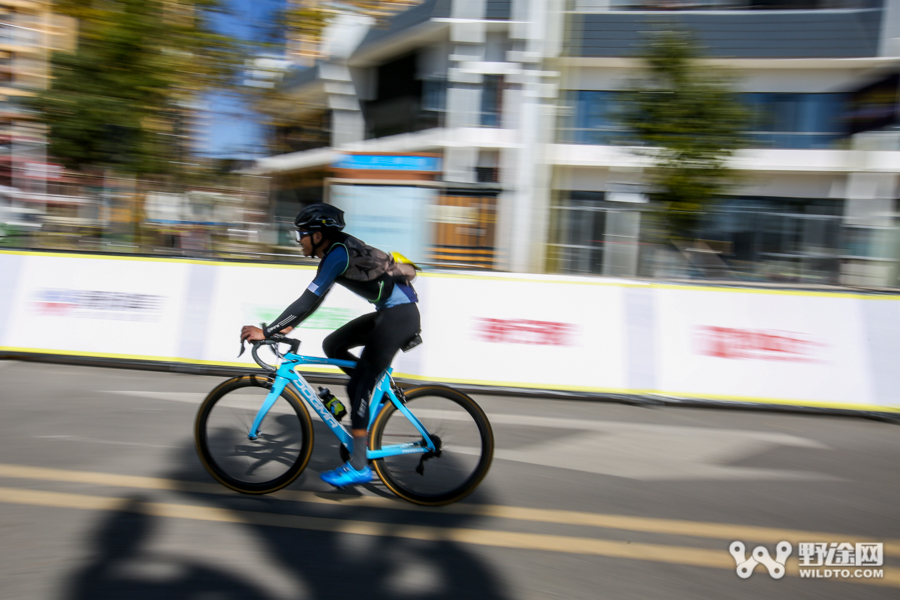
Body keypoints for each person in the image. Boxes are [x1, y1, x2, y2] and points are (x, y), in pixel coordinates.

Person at [240, 203, 421, 488]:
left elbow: (308, 299)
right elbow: (315, 300)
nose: (298, 239)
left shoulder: (338, 254)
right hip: (391, 313)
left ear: (318, 235)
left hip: (399, 317)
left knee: (357, 386)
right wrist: (286, 326)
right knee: (333, 345)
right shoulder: (337, 251)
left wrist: (269, 331)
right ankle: (373, 389)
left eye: (302, 234)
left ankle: (359, 466)